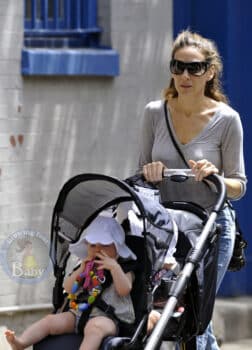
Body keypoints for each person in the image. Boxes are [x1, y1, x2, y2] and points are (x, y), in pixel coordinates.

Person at [138, 30, 247, 349]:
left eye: (194, 68)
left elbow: (239, 185)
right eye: (178, 67)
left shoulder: (227, 119)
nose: (184, 75)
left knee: (197, 314)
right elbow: (140, 173)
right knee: (185, 315)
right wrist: (151, 170)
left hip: (212, 229)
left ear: (210, 71)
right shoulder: (154, 113)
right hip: (167, 229)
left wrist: (215, 175)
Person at [5, 215, 137, 350]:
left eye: (104, 244)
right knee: (50, 321)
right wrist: (81, 269)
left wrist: (114, 268)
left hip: (108, 319)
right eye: (93, 245)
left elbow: (124, 289)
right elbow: (68, 288)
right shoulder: (86, 266)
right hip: (78, 314)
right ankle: (21, 342)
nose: (98, 249)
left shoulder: (123, 267)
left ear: (117, 247)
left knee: (94, 328)